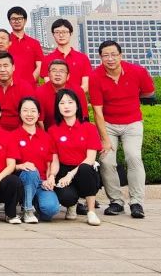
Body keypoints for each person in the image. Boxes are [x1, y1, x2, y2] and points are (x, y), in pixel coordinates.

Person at [90, 39, 155, 219]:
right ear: (100, 58)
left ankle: (136, 202)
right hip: (108, 124)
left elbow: (148, 92)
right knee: (106, 160)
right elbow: (97, 111)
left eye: (114, 54)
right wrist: (104, 139)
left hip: (132, 122)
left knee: (133, 157)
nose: (110, 59)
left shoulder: (138, 71)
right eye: (105, 55)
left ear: (121, 55)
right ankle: (116, 201)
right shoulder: (95, 76)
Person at [50, 88, 103, 225]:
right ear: (57, 107)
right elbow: (55, 160)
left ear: (77, 105)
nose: (66, 106)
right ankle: (71, 205)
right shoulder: (53, 130)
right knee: (66, 197)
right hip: (63, 169)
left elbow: (90, 159)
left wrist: (70, 175)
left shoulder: (89, 128)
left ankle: (91, 212)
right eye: (62, 103)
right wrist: (52, 176)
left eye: (70, 102)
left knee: (85, 169)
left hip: (84, 169)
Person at [11, 96, 58, 223]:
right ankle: (27, 210)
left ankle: (34, 203)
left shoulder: (46, 137)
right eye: (25, 110)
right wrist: (21, 166)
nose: (29, 114)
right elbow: (7, 164)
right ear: (20, 113)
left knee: (50, 210)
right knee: (31, 171)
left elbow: (52, 161)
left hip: (41, 182)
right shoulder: (12, 136)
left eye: (33, 111)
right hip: (21, 181)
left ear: (38, 114)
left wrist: (51, 177)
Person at [35, 58, 88, 128]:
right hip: (49, 131)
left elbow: (84, 117)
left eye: (62, 71)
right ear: (48, 75)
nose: (57, 74)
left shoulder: (78, 90)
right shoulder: (40, 92)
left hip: (75, 130)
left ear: (68, 76)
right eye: (54, 71)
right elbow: (39, 121)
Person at [44, 18, 92, 92]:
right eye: (57, 32)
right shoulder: (47, 59)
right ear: (53, 34)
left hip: (77, 98)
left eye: (64, 32)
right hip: (55, 98)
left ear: (71, 33)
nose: (61, 35)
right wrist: (61, 96)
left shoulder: (83, 58)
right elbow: (48, 84)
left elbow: (85, 85)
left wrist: (71, 96)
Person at [6, 6, 44, 83]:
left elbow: (40, 66)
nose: (17, 21)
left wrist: (29, 82)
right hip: (8, 86)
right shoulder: (4, 42)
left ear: (25, 20)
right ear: (9, 21)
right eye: (13, 19)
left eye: (20, 18)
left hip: (30, 86)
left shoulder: (34, 43)